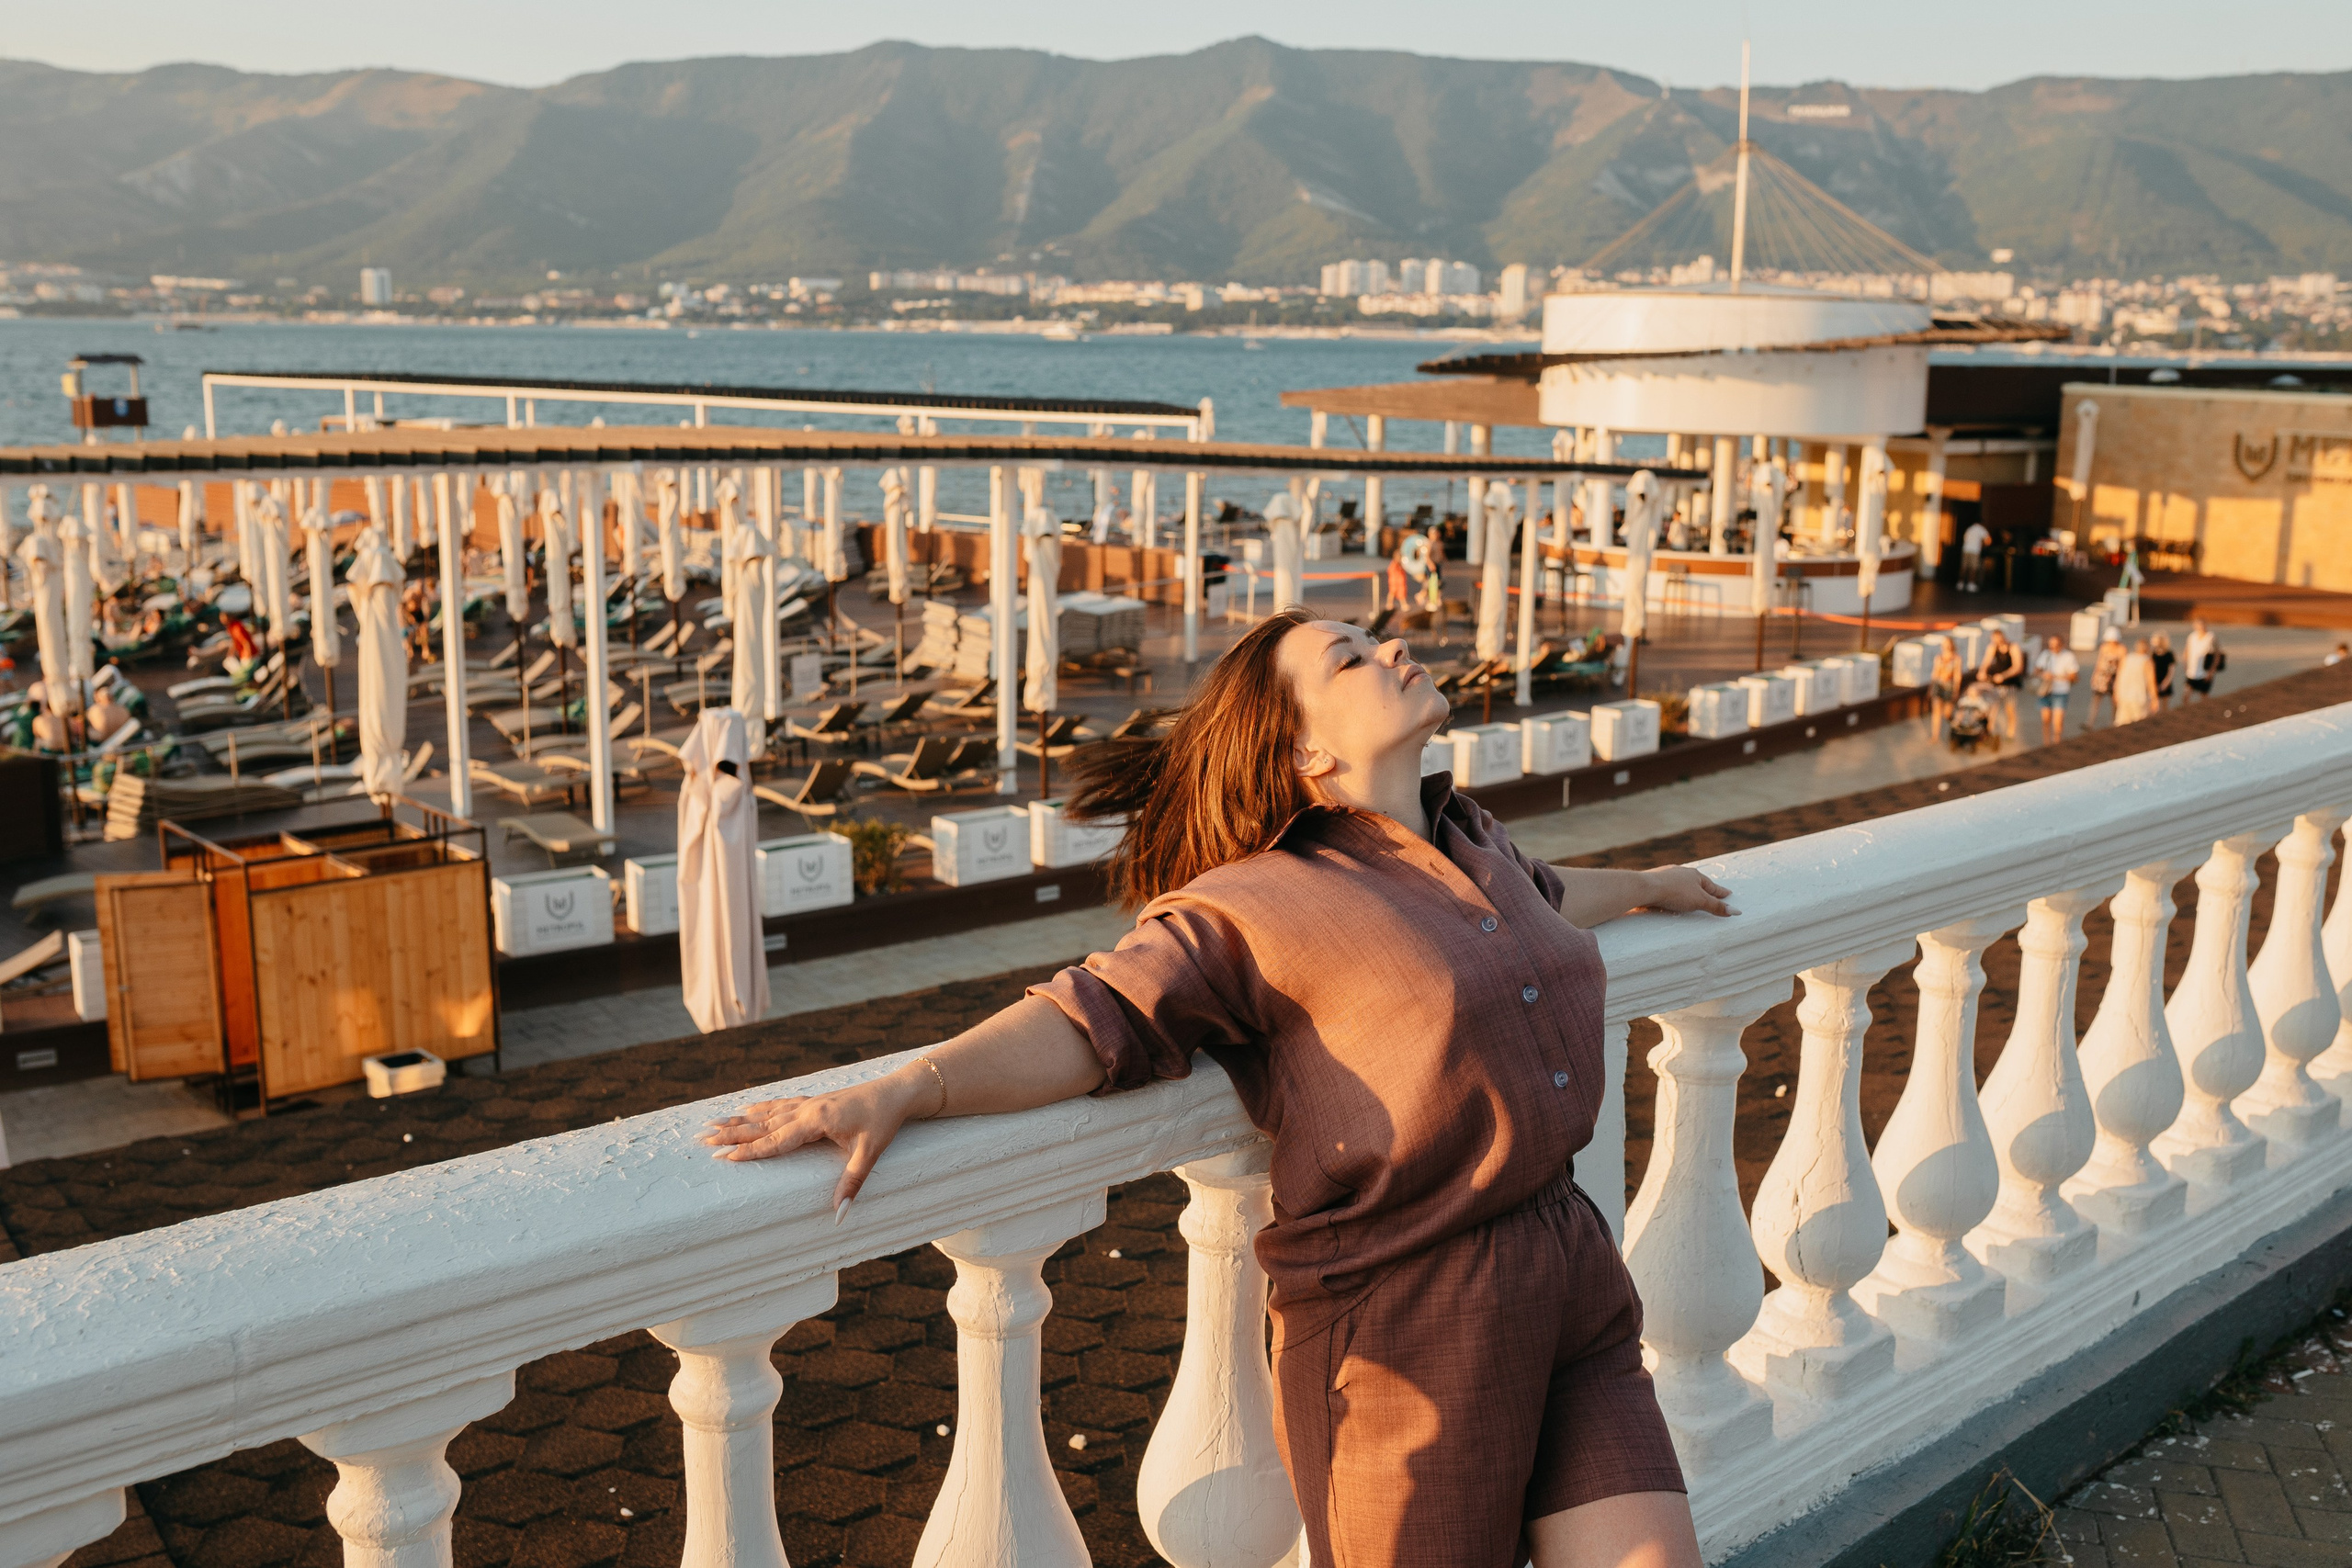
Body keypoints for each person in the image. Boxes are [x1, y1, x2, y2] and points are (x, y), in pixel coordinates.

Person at [705, 609, 1731, 1568]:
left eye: (1375, 639)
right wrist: (908, 1089)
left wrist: (1651, 885)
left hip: (1573, 1272)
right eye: (1351, 658)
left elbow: (1545, 900)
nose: (1392, 650)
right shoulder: (1251, 905)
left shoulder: (1473, 838)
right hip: (1410, 1316)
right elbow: (1092, 1014)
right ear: (1307, 754)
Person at [1977, 629, 2027, 739]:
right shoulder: (1992, 647)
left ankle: (2010, 732)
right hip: (1996, 683)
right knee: (1992, 707)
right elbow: (1986, 662)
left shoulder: (2013, 647)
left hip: (2010, 683)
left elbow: (2018, 667)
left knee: (2010, 709)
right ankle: (1989, 731)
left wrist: (2003, 676)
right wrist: (1982, 672)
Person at [2031, 633, 2079, 743]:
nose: (2052, 648)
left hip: (2061, 692)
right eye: (2051, 645)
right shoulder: (2046, 654)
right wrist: (2043, 675)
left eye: (2055, 645)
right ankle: (2046, 744)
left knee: (2057, 723)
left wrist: (2055, 676)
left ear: (2062, 645)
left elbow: (2074, 677)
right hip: (2046, 691)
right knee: (2046, 720)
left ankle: (2056, 743)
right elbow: (2036, 671)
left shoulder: (2068, 656)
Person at [2114, 637, 2158, 724]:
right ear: (2148, 648)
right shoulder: (2147, 661)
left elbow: (2119, 677)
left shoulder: (2126, 658)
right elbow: (2151, 682)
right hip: (2139, 698)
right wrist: (2154, 699)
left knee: (2121, 724)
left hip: (2124, 696)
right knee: (2140, 726)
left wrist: (2116, 692)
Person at [2087, 627, 2124, 728]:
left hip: (2114, 678)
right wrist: (2094, 675)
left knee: (2114, 701)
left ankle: (2114, 721)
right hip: (2102, 677)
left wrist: (2119, 681)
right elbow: (2099, 661)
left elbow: (2122, 666)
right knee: (2096, 699)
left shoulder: (2121, 649)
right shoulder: (2104, 647)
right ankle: (2090, 722)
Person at [1928, 638, 1963, 737]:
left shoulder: (1956, 658)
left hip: (1949, 687)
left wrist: (1956, 690)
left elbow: (1957, 676)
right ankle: (1935, 735)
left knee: (1947, 713)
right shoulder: (1938, 658)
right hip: (1938, 685)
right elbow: (1935, 673)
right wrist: (1931, 687)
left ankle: (1956, 725)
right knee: (1936, 710)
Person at [2183, 617, 2219, 702]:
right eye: (2197, 625)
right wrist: (2185, 665)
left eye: (2202, 625)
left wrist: (2211, 671)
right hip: (2191, 672)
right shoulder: (2191, 636)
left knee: (2204, 696)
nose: (2200, 627)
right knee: (2186, 696)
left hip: (2205, 672)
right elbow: (2186, 651)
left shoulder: (2211, 637)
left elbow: (2217, 655)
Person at [1960, 519, 1993, 592]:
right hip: (1975, 551)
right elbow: (1988, 540)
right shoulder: (1981, 529)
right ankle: (1971, 584)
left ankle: (1960, 583)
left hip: (1966, 549)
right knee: (1973, 568)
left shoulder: (1969, 529)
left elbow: (1965, 539)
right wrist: (1983, 545)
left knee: (1964, 567)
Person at [2149, 633, 2177, 708]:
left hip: (2165, 681)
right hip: (2154, 681)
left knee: (2165, 707)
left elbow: (2171, 670)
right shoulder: (2152, 654)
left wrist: (2166, 683)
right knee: (2154, 706)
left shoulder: (2169, 654)